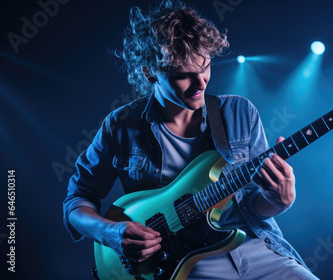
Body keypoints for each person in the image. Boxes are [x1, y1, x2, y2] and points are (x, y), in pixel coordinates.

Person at [63, 1, 318, 279]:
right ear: (150, 72)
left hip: (256, 248)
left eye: (206, 66)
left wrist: (278, 200)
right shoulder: (121, 124)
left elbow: (254, 206)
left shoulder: (239, 112)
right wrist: (110, 232)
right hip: (184, 263)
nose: (201, 83)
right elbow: (77, 199)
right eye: (183, 75)